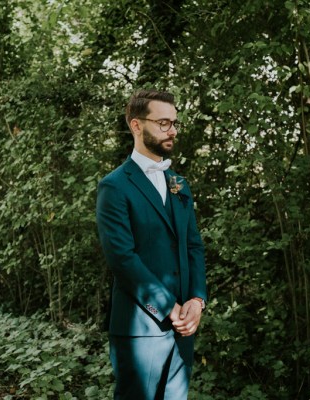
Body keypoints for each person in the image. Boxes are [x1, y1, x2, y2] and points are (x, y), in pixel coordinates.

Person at [96, 89, 207, 399]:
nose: (171, 130)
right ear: (136, 125)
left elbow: (193, 246)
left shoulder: (180, 184)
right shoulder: (114, 187)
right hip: (140, 329)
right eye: (162, 122)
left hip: (184, 325)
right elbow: (122, 258)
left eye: (174, 122)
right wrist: (168, 307)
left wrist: (197, 300)